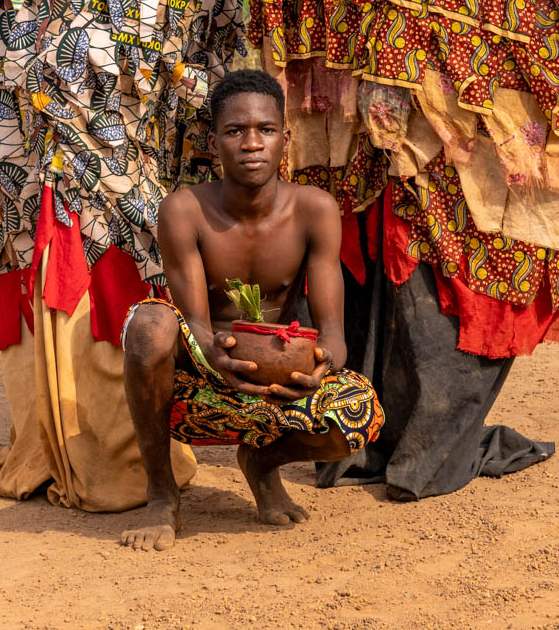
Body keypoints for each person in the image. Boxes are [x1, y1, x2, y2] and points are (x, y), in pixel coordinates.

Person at [119, 70, 383, 550]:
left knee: (360, 415)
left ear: (286, 137)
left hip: (276, 382)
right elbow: (194, 322)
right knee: (150, 325)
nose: (251, 143)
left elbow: (334, 336)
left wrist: (318, 367)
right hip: (201, 376)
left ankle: (261, 464)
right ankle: (162, 495)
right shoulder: (184, 210)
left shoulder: (315, 210)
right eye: (235, 131)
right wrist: (214, 354)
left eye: (264, 130)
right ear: (214, 139)